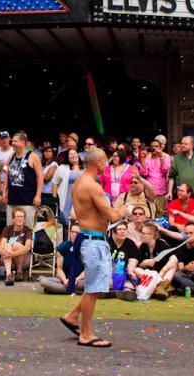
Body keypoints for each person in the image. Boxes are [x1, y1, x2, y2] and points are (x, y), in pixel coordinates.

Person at [59, 148, 125, 348]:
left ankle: (72, 316)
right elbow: (113, 216)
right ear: (97, 162)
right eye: (105, 161)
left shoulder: (79, 181)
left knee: (94, 287)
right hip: (93, 240)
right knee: (94, 288)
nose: (107, 164)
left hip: (88, 237)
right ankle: (86, 334)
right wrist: (124, 208)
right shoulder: (92, 185)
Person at [0, 132, 43, 227]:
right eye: (12, 141)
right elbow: (6, 174)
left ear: (23, 142)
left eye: (15, 141)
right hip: (12, 199)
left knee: (28, 228)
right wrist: (4, 192)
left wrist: (38, 195)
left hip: (27, 199)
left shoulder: (33, 156)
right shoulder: (11, 156)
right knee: (11, 228)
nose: (12, 143)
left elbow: (40, 176)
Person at [135, 222, 178, 301]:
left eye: (143, 233)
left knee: (173, 266)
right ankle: (160, 287)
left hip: (161, 274)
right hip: (150, 275)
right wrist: (144, 263)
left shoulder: (161, 244)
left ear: (151, 235)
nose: (141, 235)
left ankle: (160, 286)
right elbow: (138, 265)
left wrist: (163, 271)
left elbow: (174, 259)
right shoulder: (143, 246)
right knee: (136, 270)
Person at [39, 223, 85, 294]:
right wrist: (64, 280)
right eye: (72, 232)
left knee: (93, 283)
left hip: (80, 280)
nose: (74, 234)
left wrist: (76, 279)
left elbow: (88, 270)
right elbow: (59, 269)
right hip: (64, 280)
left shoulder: (87, 248)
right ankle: (77, 291)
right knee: (43, 281)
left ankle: (56, 290)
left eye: (76, 232)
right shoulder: (63, 247)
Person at [0, 206, 33, 285]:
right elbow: (2, 245)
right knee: (8, 245)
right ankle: (8, 275)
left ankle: (19, 271)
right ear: (13, 219)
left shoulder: (27, 230)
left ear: (24, 219)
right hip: (7, 258)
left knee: (17, 245)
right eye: (17, 216)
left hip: (24, 259)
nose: (20, 218)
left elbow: (27, 247)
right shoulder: (7, 229)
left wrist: (13, 254)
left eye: (21, 217)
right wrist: (2, 252)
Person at [168, 136, 194, 201]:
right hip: (179, 195)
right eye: (182, 143)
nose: (182, 145)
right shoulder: (177, 158)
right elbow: (171, 177)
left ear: (192, 145)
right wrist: (169, 192)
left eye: (185, 144)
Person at [108, 221, 140, 301]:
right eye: (119, 229)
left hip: (123, 274)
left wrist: (130, 271)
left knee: (129, 279)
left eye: (124, 229)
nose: (122, 231)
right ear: (113, 231)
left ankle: (127, 292)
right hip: (107, 272)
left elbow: (133, 260)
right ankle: (107, 291)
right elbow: (102, 262)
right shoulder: (106, 243)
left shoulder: (130, 244)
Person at [139, 138, 171, 215]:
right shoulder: (147, 158)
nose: (154, 148)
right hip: (149, 191)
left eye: (156, 146)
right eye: (152, 146)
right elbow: (144, 173)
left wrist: (161, 157)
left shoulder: (166, 157)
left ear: (161, 148)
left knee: (161, 213)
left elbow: (165, 171)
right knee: (150, 214)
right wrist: (143, 158)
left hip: (161, 191)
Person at [52, 149, 83, 224]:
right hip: (68, 199)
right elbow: (55, 182)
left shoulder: (84, 168)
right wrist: (55, 197)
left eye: (75, 153)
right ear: (67, 158)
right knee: (67, 222)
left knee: (79, 224)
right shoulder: (63, 168)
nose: (73, 155)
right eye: (70, 154)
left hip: (81, 200)